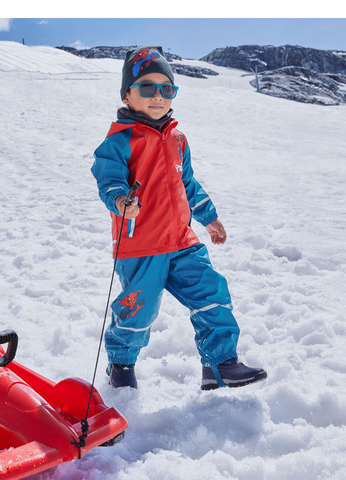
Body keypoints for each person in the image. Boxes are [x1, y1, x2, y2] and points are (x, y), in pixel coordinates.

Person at [91, 46, 266, 390]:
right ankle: (121, 365)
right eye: (147, 88)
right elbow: (108, 178)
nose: (158, 96)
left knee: (211, 293)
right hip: (141, 247)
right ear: (127, 94)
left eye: (167, 89)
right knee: (138, 311)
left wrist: (209, 217)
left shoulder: (178, 139)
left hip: (182, 241)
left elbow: (187, 184)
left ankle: (219, 365)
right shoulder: (119, 141)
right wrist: (120, 200)